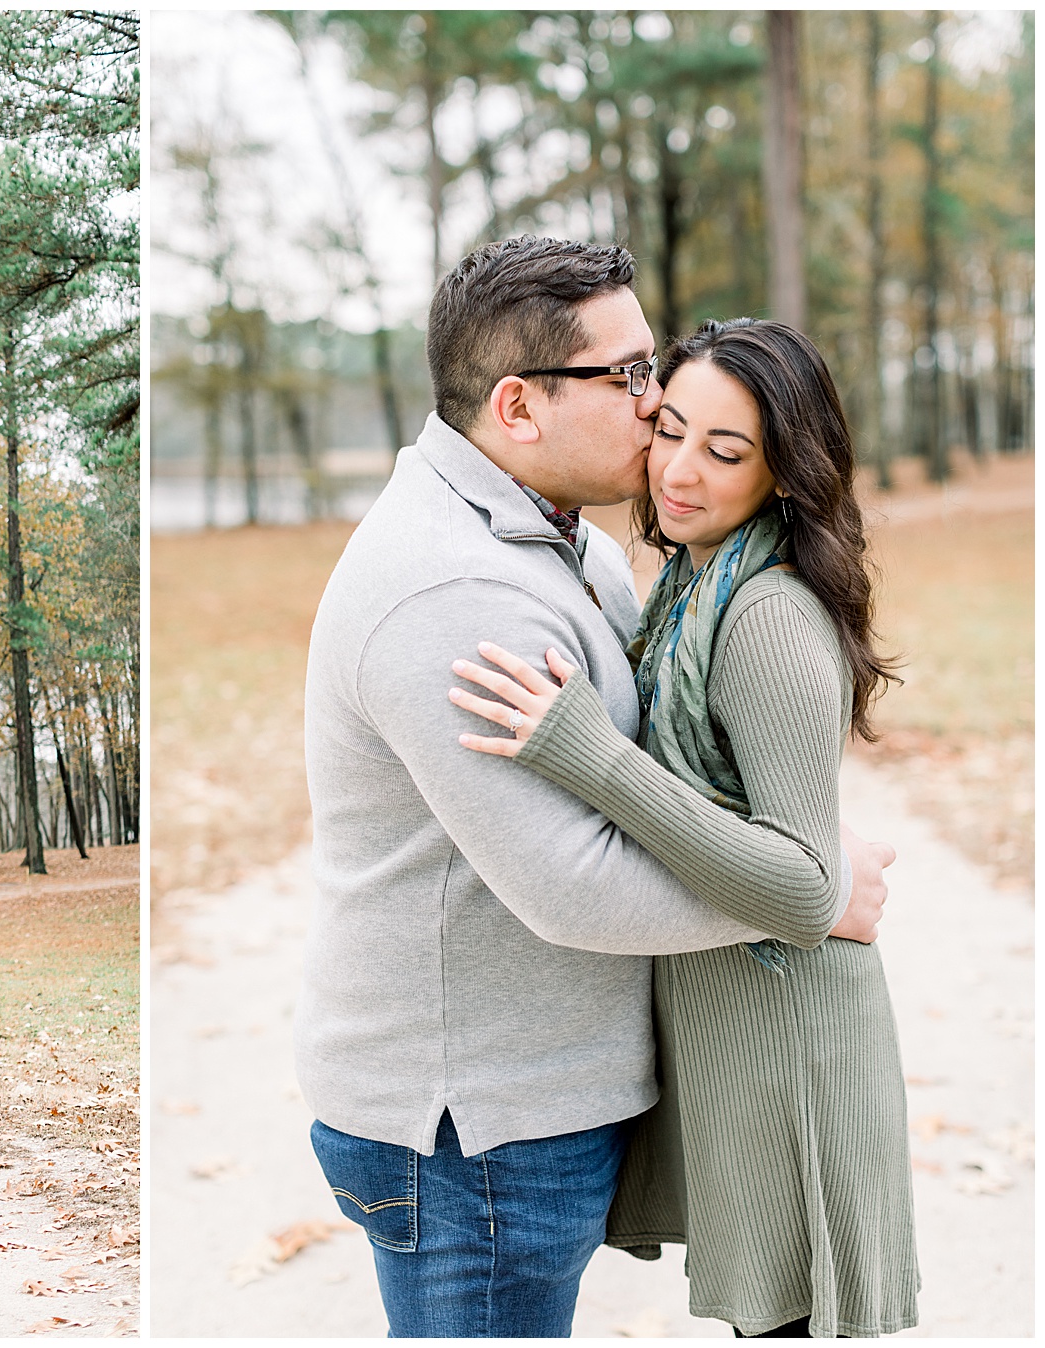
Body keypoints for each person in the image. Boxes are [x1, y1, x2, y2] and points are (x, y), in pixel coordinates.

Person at [294, 235, 894, 1338]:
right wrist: (814, 890)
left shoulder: (563, 541)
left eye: (650, 363)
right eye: (625, 376)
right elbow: (575, 885)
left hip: (516, 1102)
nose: (654, 398)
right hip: (472, 1127)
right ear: (518, 409)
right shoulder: (454, 590)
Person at [450, 317, 917, 1337]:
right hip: (736, 1042)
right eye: (672, 430)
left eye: (727, 450)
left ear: (786, 474)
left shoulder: (767, 615)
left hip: (792, 1047)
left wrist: (590, 755)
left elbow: (801, 887)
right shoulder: (692, 590)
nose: (679, 470)